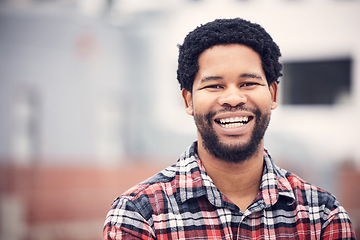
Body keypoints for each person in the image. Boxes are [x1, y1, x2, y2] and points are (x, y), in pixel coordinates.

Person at [103, 18, 355, 239]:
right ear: (189, 100)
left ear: (273, 93)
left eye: (247, 83)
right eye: (214, 86)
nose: (233, 98)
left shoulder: (321, 215)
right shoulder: (140, 215)